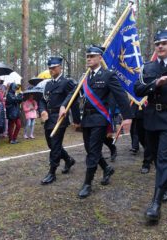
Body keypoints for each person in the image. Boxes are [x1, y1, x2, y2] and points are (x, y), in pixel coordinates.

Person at [60, 45, 132, 198]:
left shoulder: (108, 75)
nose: (89, 59)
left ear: (100, 58)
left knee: (92, 151)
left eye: (92, 56)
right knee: (90, 149)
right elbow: (73, 93)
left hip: (100, 119)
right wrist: (63, 105)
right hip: (87, 119)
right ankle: (106, 169)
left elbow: (120, 96)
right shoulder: (85, 77)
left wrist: (128, 116)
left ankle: (87, 183)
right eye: (87, 56)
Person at [134, 29, 167, 222]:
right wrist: (155, 84)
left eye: (164, 43)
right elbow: (137, 89)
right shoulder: (148, 67)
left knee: (164, 158)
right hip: (151, 116)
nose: (160, 46)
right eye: (157, 44)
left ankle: (155, 204)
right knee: (153, 155)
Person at [39, 56, 81, 185]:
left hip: (60, 118)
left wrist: (76, 119)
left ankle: (52, 173)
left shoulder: (67, 82)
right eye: (50, 68)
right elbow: (42, 100)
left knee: (55, 145)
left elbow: (74, 98)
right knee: (51, 145)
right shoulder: (48, 84)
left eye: (54, 67)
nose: (51, 70)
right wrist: (42, 110)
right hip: (48, 119)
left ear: (60, 67)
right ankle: (68, 160)